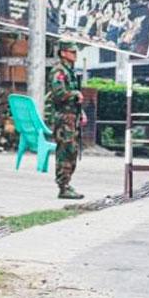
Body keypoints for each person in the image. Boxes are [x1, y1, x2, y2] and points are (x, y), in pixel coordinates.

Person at [46, 40, 87, 199]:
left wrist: (80, 111)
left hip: (72, 116)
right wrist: (74, 94)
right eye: (72, 52)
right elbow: (58, 94)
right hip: (64, 118)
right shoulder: (59, 71)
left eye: (75, 52)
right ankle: (63, 185)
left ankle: (67, 184)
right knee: (65, 150)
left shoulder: (70, 71)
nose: (75, 55)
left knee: (72, 151)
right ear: (63, 52)